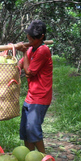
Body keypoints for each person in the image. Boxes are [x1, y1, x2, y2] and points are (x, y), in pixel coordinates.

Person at [16, 20, 53, 154]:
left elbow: (29, 71)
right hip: (30, 97)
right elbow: (19, 66)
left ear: (41, 37)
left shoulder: (43, 50)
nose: (29, 39)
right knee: (25, 131)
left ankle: (44, 159)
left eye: (33, 37)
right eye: (29, 36)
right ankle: (30, 160)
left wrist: (24, 53)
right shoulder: (32, 48)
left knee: (33, 128)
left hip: (40, 97)